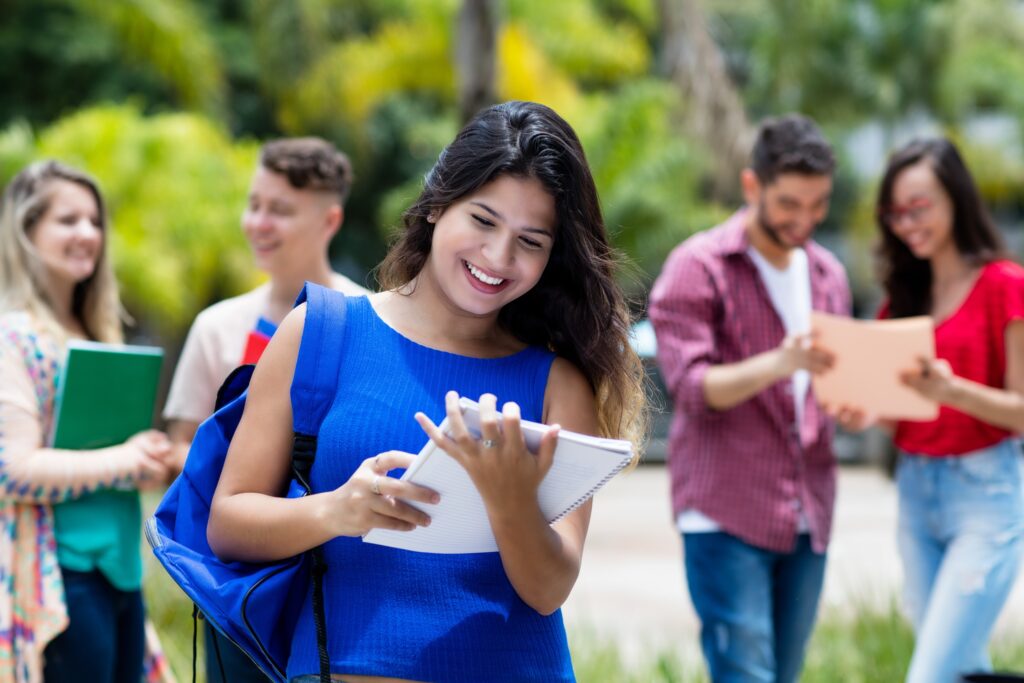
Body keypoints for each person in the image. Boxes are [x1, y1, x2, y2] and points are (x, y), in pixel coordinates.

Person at [206, 100, 645, 682]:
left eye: (531, 241)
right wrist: (336, 510)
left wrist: (508, 496)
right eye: (483, 221)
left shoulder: (558, 384)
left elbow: (547, 591)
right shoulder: (320, 332)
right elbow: (228, 524)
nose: (498, 257)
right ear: (438, 202)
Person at [648, 114, 851, 683]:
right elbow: (690, 389)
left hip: (809, 509)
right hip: (726, 510)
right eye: (790, 203)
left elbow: (830, 389)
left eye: (818, 204)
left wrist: (851, 404)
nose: (805, 220)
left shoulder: (829, 274)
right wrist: (781, 362)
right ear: (752, 186)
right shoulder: (698, 266)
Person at [163, 137, 368, 681]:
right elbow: (182, 448)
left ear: (330, 220)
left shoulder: (366, 321)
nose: (259, 222)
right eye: (254, 205)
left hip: (335, 569)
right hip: (239, 582)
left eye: (280, 210)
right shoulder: (217, 326)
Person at [0, 160, 172, 683]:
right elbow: (13, 469)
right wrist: (123, 460)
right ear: (26, 231)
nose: (88, 234)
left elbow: (104, 453)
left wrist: (144, 461)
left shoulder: (98, 332)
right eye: (67, 220)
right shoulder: (14, 337)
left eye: (94, 221)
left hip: (121, 573)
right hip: (60, 580)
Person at [870, 138, 1024, 683]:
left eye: (920, 206)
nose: (907, 223)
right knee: (961, 669)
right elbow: (893, 414)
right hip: (916, 494)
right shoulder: (902, 301)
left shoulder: (1005, 285)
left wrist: (953, 391)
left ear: (956, 198)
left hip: (985, 495)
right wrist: (859, 408)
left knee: (931, 674)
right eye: (896, 212)